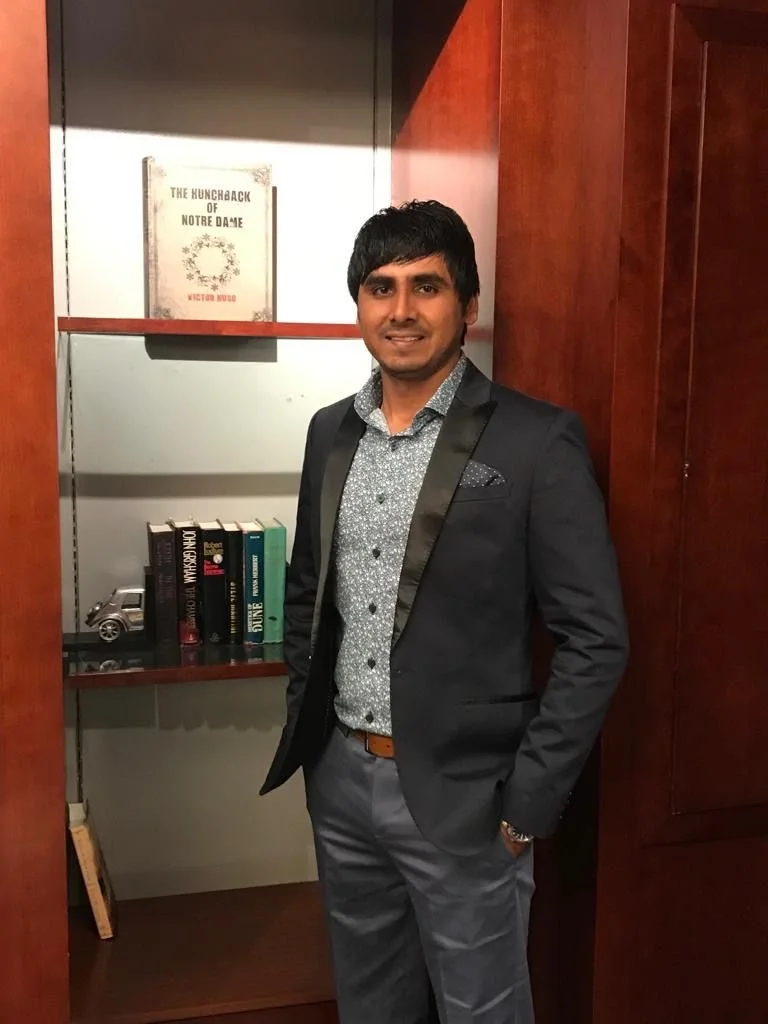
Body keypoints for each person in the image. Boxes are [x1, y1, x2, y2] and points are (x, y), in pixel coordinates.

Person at [261, 200, 629, 1023]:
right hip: (343, 785)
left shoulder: (536, 442)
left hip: (468, 800)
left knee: (483, 1012)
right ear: (358, 305)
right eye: (380, 287)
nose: (400, 310)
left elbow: (597, 639)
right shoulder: (329, 434)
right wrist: (312, 736)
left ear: (467, 307)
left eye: (426, 286)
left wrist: (527, 803)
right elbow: (307, 592)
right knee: (372, 1008)